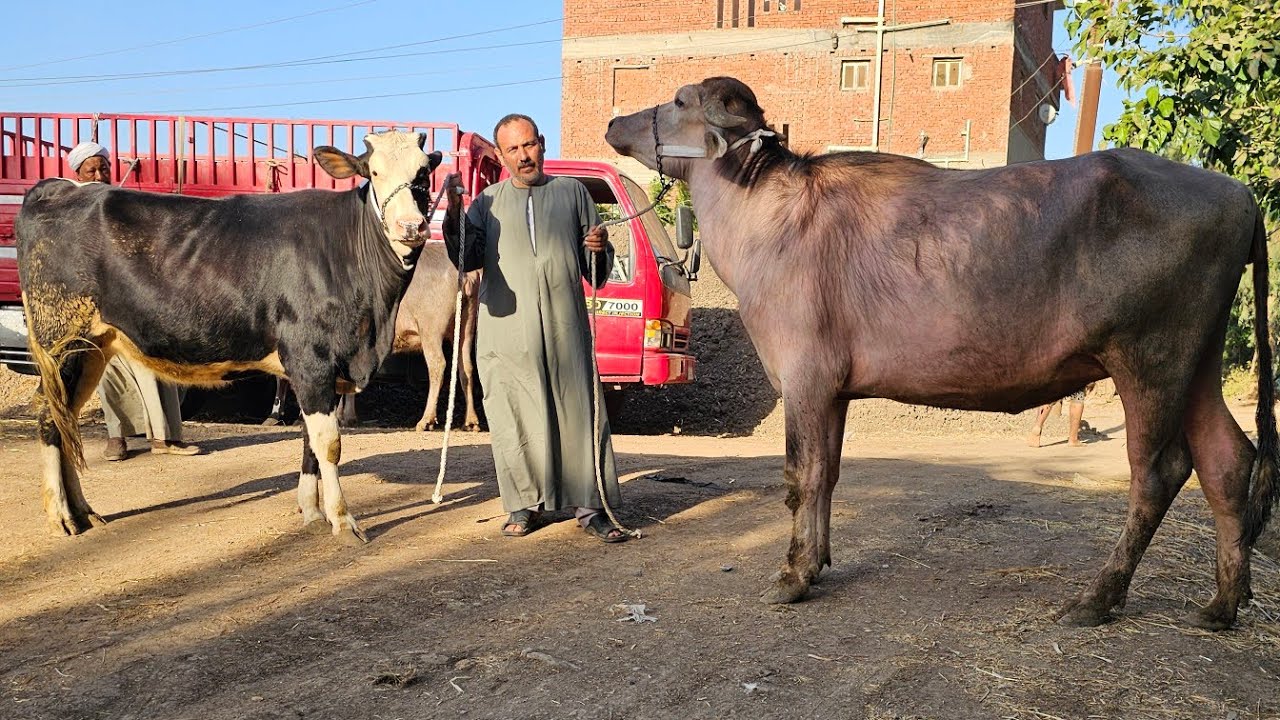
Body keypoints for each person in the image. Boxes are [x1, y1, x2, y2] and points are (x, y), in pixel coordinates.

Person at [443, 114, 627, 542]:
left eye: (529, 145)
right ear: (501, 155)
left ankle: (590, 506)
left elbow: (595, 272)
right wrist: (454, 213)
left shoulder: (573, 193)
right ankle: (523, 506)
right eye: (514, 149)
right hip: (506, 331)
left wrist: (599, 248)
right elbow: (467, 259)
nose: (524, 156)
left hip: (565, 326)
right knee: (513, 416)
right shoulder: (486, 202)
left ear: (542, 143)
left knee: (578, 410)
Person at [66, 141, 201, 461]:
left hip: (136, 297)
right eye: (91, 170)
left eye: (103, 168)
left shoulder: (121, 204)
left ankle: (165, 438)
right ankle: (117, 437)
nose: (99, 175)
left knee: (158, 361)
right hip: (98, 302)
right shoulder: (72, 211)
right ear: (78, 174)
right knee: (107, 370)